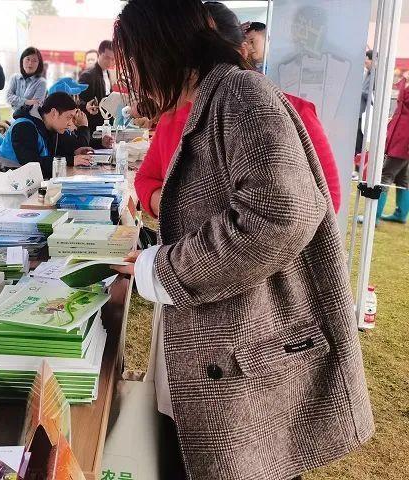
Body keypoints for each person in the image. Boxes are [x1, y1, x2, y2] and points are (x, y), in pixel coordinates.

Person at [111, 1, 373, 479]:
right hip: (229, 346)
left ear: (161, 48)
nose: (137, 82)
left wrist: (164, 269)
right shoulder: (215, 98)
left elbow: (282, 214)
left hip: (250, 350)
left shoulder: (240, 95)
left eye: (136, 61)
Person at [135, 2, 341, 217]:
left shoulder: (285, 111)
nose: (210, 75)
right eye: (199, 62)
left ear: (242, 52)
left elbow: (325, 201)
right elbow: (145, 180)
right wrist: (182, 212)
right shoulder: (175, 114)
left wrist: (195, 216)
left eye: (218, 62)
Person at [0, 92, 92, 178]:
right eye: (68, 117)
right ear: (54, 113)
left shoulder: (51, 127)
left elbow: (59, 152)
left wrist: (74, 152)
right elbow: (31, 164)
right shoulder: (24, 127)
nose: (70, 123)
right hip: (11, 182)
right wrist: (70, 160)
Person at [377, 72, 409, 223]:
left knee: (385, 175)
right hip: (399, 134)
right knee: (403, 178)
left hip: (404, 138)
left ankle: (374, 215)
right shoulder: (405, 80)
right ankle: (400, 214)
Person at [79, 40, 116, 133]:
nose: (109, 62)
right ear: (99, 54)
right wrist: (86, 106)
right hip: (93, 124)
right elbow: (79, 101)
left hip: (106, 121)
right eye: (106, 58)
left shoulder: (107, 72)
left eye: (112, 59)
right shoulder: (87, 75)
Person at [6, 47, 47, 114]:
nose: (30, 63)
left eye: (34, 61)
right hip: (13, 118)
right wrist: (27, 102)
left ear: (39, 64)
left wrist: (16, 102)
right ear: (22, 60)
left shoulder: (41, 82)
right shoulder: (15, 78)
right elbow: (8, 97)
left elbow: (35, 105)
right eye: (28, 59)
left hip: (31, 119)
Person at [356, 50, 374, 156]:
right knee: (358, 134)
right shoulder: (367, 73)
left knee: (360, 135)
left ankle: (359, 155)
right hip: (360, 112)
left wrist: (361, 92)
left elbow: (371, 95)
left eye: (367, 61)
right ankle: (358, 155)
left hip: (368, 112)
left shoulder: (375, 75)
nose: (365, 64)